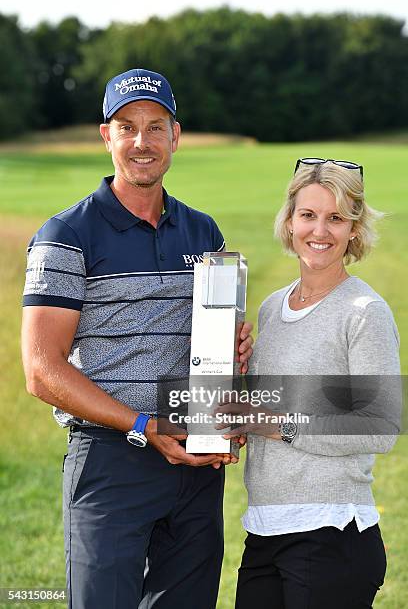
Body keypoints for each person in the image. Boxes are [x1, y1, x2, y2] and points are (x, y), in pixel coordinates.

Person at [21, 68, 253, 609]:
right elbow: (41, 369)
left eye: (155, 127)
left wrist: (235, 369)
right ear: (107, 137)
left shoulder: (204, 232)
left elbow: (213, 344)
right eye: (127, 128)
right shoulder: (66, 236)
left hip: (196, 467)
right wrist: (144, 427)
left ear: (176, 135)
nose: (142, 142)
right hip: (111, 464)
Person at [220, 158, 401, 609]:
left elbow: (379, 426)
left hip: (331, 534)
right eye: (308, 215)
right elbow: (260, 412)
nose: (320, 230)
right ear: (289, 220)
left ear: (354, 230)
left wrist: (278, 423)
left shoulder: (364, 311)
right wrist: (235, 391)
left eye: (336, 218)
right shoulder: (270, 308)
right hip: (263, 530)